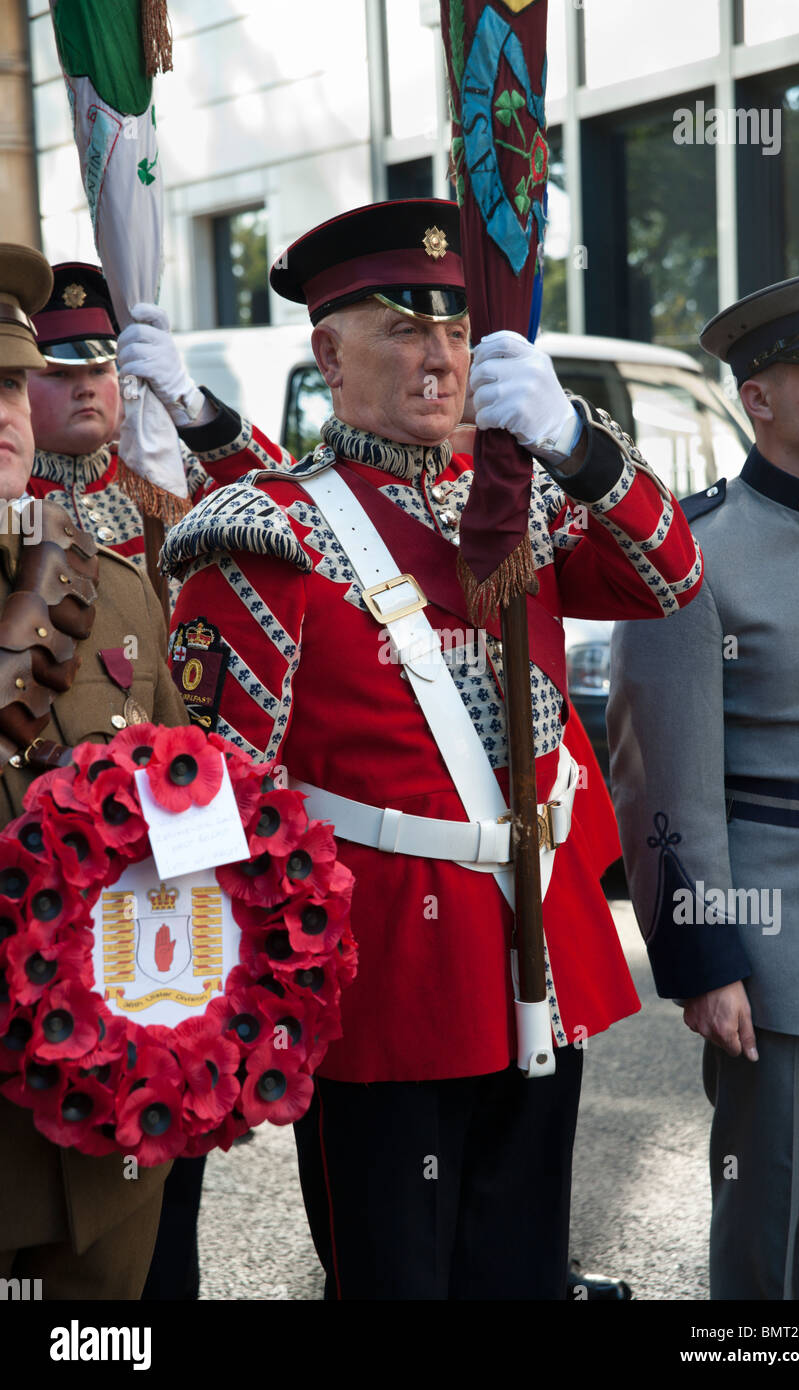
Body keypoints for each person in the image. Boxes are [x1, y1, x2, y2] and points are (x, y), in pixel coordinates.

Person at [130, 198, 703, 1300]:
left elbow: (672, 577)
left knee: (522, 1269)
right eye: (402, 326)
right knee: (396, 1277)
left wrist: (575, 442)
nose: (437, 355)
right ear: (328, 354)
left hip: (537, 945)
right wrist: (229, 1007)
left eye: (456, 328)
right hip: (381, 976)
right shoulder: (269, 532)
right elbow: (212, 799)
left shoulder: (518, 498)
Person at [607, 269, 799, 1301]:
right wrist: (703, 956)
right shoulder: (691, 554)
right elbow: (659, 779)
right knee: (770, 1229)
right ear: (757, 395)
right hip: (776, 946)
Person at [0, 243, 188, 1298]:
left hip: (104, 1129)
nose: (7, 409)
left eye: (6, 380)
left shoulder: (113, 590)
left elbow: (196, 817)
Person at [26, 262, 290, 604]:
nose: (85, 389)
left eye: (99, 370)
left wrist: (192, 405)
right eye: (60, 375)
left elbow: (286, 503)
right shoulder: (13, 491)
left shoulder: (162, 467)